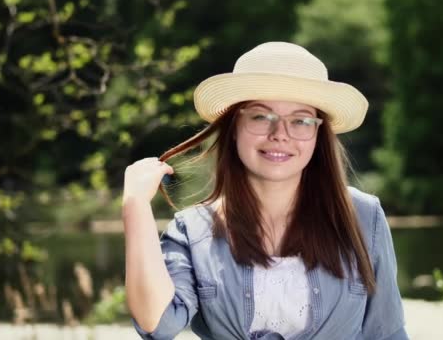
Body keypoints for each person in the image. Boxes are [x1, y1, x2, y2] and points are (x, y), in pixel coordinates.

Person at [123, 42, 408, 340]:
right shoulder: (192, 231)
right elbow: (158, 325)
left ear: (317, 135)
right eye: (261, 116)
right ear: (234, 127)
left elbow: (387, 332)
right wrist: (136, 206)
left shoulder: (363, 216)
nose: (280, 135)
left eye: (300, 121)